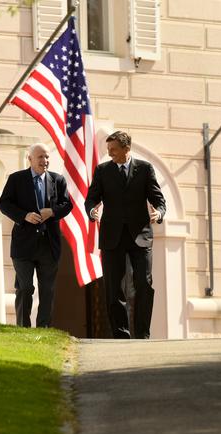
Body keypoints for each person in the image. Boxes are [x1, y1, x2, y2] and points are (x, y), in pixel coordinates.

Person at [84, 131, 166, 339]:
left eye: (113, 150)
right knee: (114, 289)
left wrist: (159, 212)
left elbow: (159, 199)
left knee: (144, 285)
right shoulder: (103, 171)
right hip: (112, 237)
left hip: (140, 236)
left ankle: (142, 334)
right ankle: (121, 335)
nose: (109, 153)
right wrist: (92, 210)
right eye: (108, 149)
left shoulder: (145, 169)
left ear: (126, 148)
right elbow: (91, 198)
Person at [0, 143, 73, 328]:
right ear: (29, 158)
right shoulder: (16, 179)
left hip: (49, 245)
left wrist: (52, 212)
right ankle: (23, 328)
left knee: (47, 290)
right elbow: (4, 204)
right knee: (25, 288)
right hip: (23, 245)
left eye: (47, 157)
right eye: (40, 157)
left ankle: (43, 328)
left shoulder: (58, 180)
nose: (45, 161)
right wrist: (24, 215)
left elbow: (67, 205)